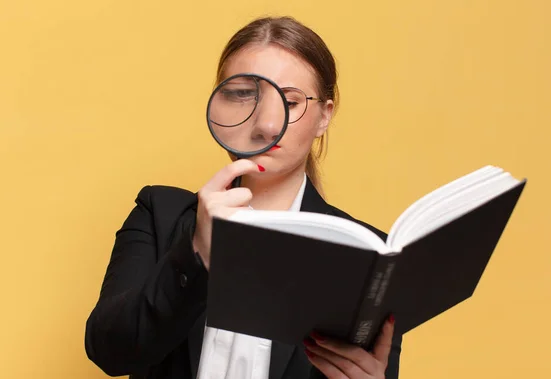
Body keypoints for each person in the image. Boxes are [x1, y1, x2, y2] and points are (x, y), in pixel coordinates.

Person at [85, 16, 402, 379]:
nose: (267, 124)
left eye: (291, 101)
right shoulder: (160, 215)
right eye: (242, 94)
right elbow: (109, 352)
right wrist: (197, 255)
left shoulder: (368, 253)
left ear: (323, 118)